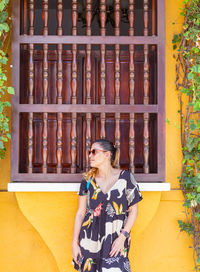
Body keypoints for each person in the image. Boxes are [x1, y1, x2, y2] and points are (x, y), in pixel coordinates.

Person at [72, 138, 143, 272]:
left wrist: (123, 237)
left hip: (116, 237)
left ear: (107, 154)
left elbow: (133, 210)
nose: (89, 156)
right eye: (89, 152)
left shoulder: (126, 178)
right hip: (89, 238)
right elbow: (81, 213)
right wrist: (74, 243)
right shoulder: (87, 180)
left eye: (94, 152)